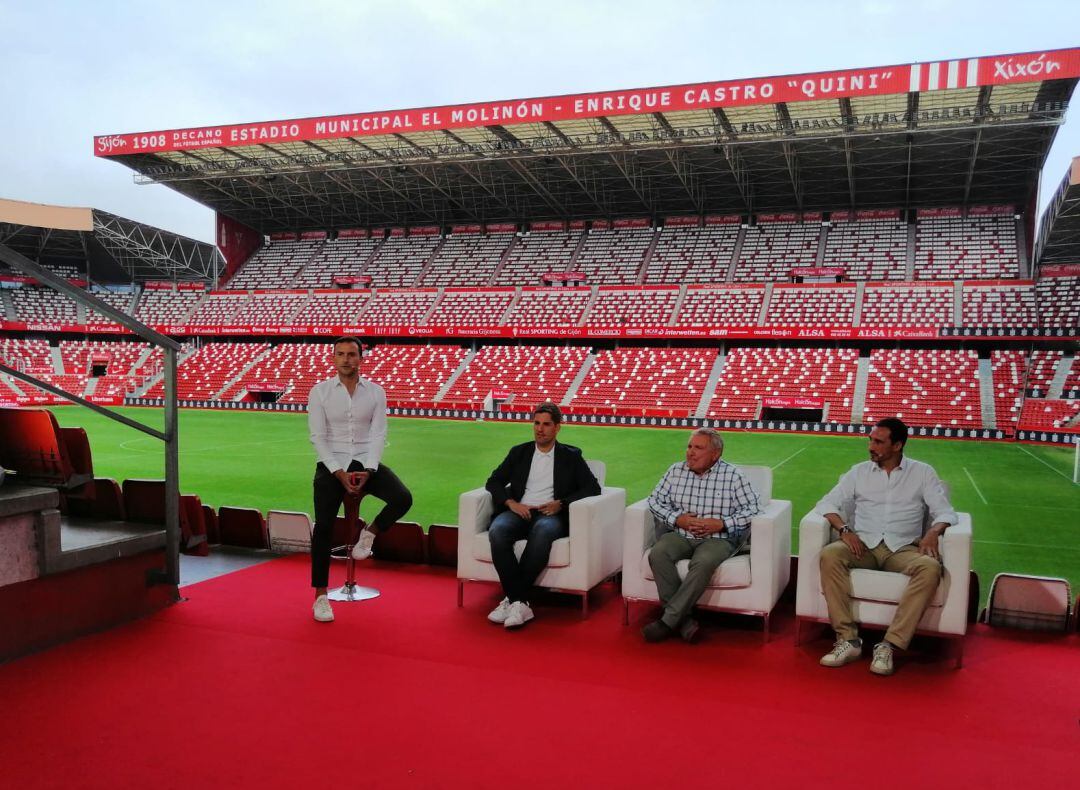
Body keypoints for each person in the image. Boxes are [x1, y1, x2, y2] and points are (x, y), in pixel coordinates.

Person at [815, 417, 957, 675]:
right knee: (829, 554)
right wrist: (844, 530)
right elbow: (826, 504)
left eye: (878, 442)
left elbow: (946, 512)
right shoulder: (858, 472)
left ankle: (889, 645)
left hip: (902, 549)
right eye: (870, 439)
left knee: (930, 567)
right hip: (863, 546)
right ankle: (848, 639)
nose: (870, 446)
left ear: (898, 445)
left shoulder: (922, 472)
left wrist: (933, 532)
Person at [307, 336, 413, 623]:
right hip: (332, 465)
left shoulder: (376, 392)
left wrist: (370, 470)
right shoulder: (320, 392)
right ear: (333, 358)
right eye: (340, 354)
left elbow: (379, 434)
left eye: (351, 354)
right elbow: (318, 437)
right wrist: (338, 472)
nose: (346, 359)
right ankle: (320, 596)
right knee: (324, 528)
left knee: (403, 498)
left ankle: (370, 533)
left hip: (366, 461)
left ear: (361, 358)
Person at [483, 402, 600, 629]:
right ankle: (519, 601)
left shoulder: (571, 456)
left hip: (549, 514)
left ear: (557, 428)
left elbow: (592, 488)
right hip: (520, 510)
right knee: (497, 531)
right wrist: (511, 503)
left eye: (546, 424)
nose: (540, 429)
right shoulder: (519, 452)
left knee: (543, 531)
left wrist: (562, 503)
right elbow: (493, 481)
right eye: (536, 423)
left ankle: (513, 600)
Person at [642, 428, 760, 643]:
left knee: (703, 562)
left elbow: (753, 509)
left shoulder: (733, 476)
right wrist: (677, 519)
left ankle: (668, 621)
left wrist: (722, 523)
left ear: (715, 454)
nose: (690, 453)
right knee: (658, 553)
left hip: (719, 538)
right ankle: (682, 620)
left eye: (698, 448)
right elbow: (653, 501)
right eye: (689, 446)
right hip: (680, 532)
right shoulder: (675, 471)